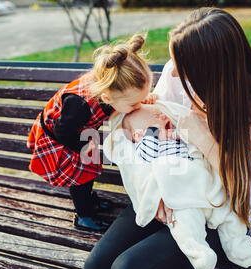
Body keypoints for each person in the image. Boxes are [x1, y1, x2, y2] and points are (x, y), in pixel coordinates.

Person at [78, 7, 251, 269]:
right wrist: (132, 128)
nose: (173, 72)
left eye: (182, 67)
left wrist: (206, 141)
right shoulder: (177, 76)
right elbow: (137, 128)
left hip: (216, 212)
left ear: (213, 72)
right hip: (162, 197)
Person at [103, 100, 251, 269]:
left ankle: (238, 245)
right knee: (186, 225)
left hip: (201, 187)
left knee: (227, 215)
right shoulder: (145, 143)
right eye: (153, 117)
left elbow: (191, 140)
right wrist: (153, 132)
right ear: (139, 134)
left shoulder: (171, 135)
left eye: (160, 114)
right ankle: (199, 252)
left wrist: (176, 133)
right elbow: (148, 157)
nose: (161, 116)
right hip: (179, 197)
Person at [27, 34, 155, 232]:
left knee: (88, 171)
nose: (137, 106)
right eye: (133, 103)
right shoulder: (81, 106)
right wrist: (83, 145)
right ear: (107, 96)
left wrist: (142, 101)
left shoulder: (112, 84)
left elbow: (120, 104)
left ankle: (89, 199)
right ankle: (83, 216)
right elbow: (61, 130)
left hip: (81, 133)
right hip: (61, 138)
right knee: (80, 177)